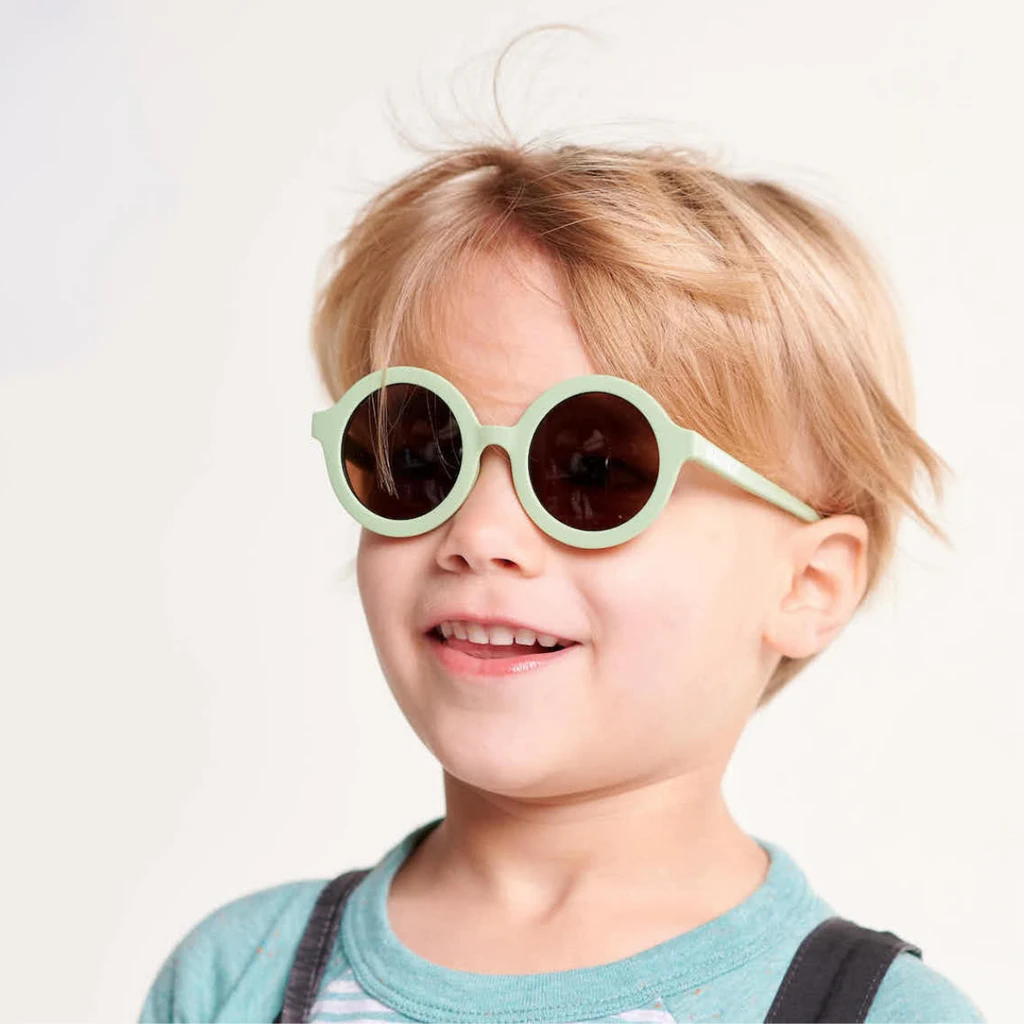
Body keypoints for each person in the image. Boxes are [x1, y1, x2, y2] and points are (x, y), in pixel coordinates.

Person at [139, 133, 986, 1022]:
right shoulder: (238, 976)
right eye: (423, 454)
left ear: (807, 584)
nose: (478, 533)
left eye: (595, 471)